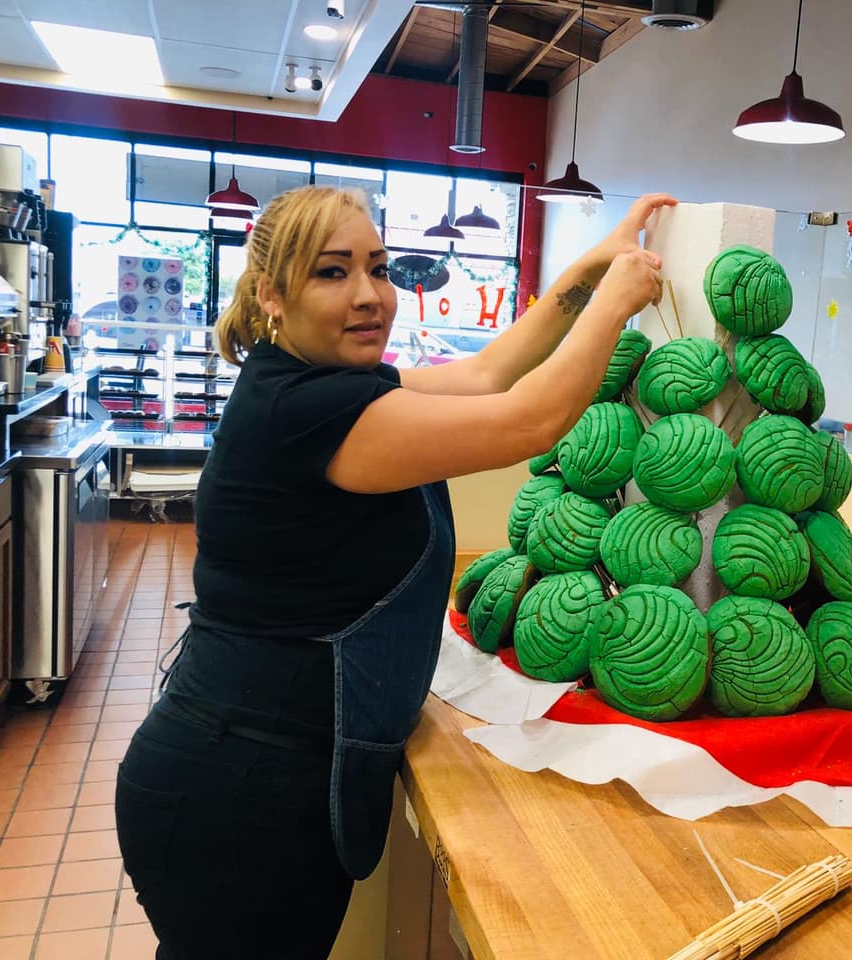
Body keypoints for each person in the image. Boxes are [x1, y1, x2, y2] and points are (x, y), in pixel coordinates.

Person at [114, 185, 675, 959]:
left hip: (261, 775)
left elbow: (486, 377)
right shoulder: (304, 410)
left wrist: (590, 267)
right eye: (332, 273)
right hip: (235, 788)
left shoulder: (320, 386)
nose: (370, 295)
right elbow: (528, 420)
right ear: (271, 295)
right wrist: (614, 304)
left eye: (377, 268)